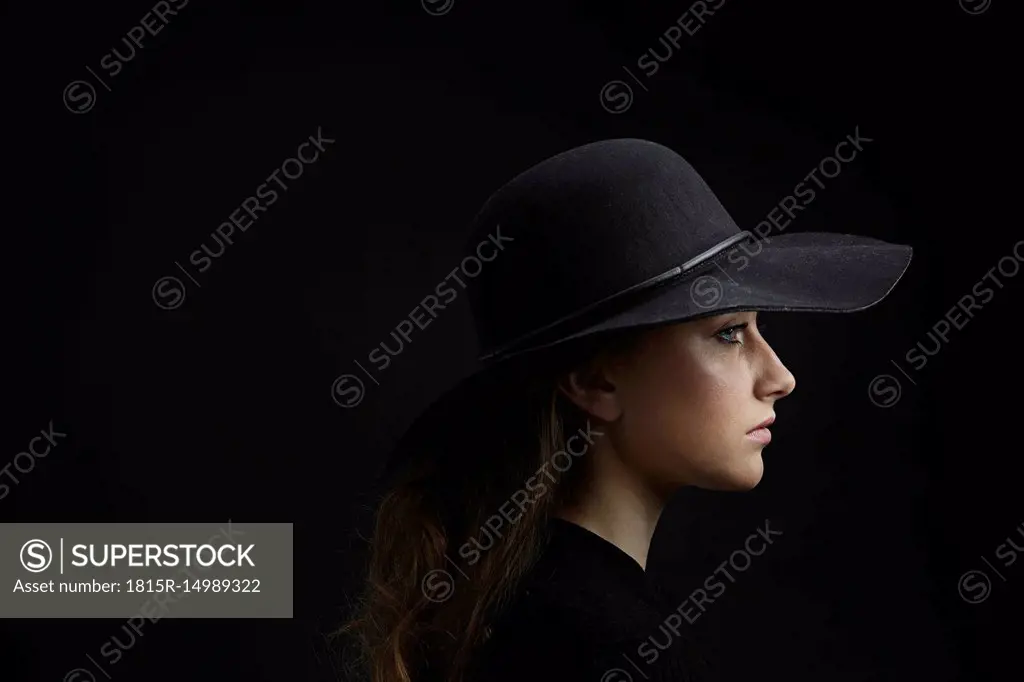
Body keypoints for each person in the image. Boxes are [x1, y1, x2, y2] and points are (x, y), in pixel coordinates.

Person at [337, 138, 912, 681]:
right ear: (595, 381)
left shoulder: (508, 611)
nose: (780, 378)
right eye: (730, 333)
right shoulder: (616, 649)